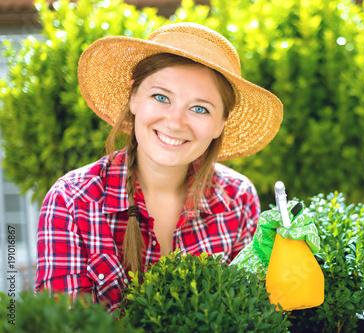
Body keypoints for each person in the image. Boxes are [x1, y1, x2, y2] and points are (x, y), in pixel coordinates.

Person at [35, 22, 283, 313]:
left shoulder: (238, 199)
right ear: (134, 97)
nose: (175, 122)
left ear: (221, 123)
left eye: (200, 108)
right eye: (161, 97)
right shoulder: (72, 201)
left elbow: (250, 315)